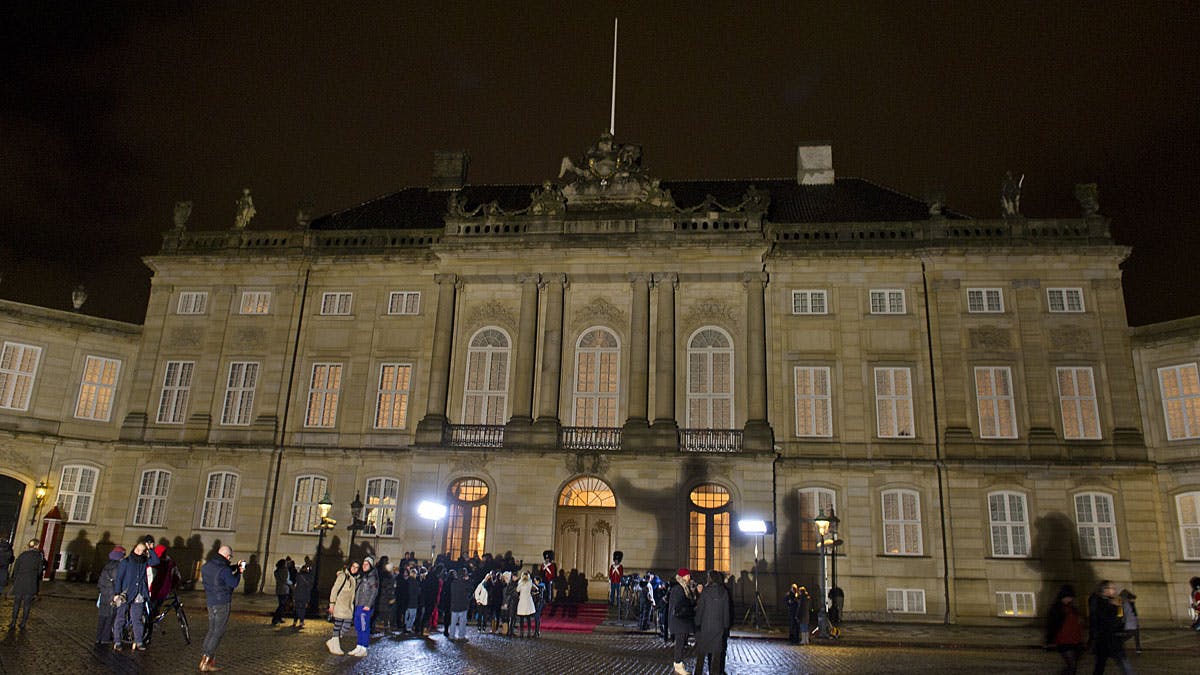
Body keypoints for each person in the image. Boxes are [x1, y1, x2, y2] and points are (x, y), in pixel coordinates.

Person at [199, 545, 242, 672]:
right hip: (222, 602)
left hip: (210, 601)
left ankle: (204, 657)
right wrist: (239, 572)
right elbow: (233, 582)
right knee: (218, 632)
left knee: (212, 630)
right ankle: (206, 661)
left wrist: (234, 567)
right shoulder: (224, 569)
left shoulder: (207, 566)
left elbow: (222, 571)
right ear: (227, 556)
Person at [112, 536, 160, 649]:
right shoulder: (126, 562)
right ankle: (117, 641)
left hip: (139, 594)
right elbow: (119, 578)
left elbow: (156, 561)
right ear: (134, 549)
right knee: (120, 618)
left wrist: (150, 549)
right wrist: (116, 593)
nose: (138, 552)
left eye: (141, 550)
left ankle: (139, 641)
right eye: (137, 549)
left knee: (137, 619)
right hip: (126, 593)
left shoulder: (144, 562)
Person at [1089, 580, 1133, 675]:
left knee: (1101, 666)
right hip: (1105, 640)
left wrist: (1118, 608)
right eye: (1112, 588)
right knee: (1103, 666)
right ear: (1104, 590)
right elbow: (1106, 621)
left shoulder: (1111, 602)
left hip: (1112, 640)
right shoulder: (1099, 602)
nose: (1115, 590)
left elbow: (1119, 620)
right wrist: (1114, 607)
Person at [694, 570, 731, 675]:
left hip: (705, 626)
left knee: (701, 656)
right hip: (718, 628)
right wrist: (726, 626)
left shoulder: (705, 592)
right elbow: (726, 611)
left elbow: (700, 609)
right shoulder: (724, 592)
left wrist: (697, 622)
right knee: (716, 657)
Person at [1045, 584, 1085, 675]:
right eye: (1068, 597)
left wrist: (1080, 621)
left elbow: (1077, 620)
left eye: (1071, 597)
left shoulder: (1072, 608)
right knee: (1072, 666)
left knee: (1072, 666)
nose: (1070, 599)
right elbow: (1051, 625)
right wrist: (1049, 641)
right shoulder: (1056, 608)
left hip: (1075, 640)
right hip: (1064, 641)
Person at [7, 539, 44, 631]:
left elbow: (16, 569)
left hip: (20, 581)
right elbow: (40, 572)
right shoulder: (39, 556)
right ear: (36, 546)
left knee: (16, 603)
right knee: (27, 604)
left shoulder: (23, 555)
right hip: (31, 582)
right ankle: (23, 623)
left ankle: (13, 622)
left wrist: (16, 579)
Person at [668, 568, 697, 675]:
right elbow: (679, 606)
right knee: (679, 644)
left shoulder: (683, 588)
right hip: (679, 621)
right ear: (683, 577)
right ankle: (678, 664)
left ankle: (679, 664)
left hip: (682, 621)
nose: (689, 578)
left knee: (681, 644)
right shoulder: (678, 589)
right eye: (687, 576)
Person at [326, 560, 358, 655]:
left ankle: (333, 641)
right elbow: (334, 590)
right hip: (340, 605)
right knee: (338, 625)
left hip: (348, 607)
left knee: (346, 626)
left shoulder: (354, 578)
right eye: (353, 566)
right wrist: (332, 604)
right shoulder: (343, 576)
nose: (354, 569)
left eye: (356, 567)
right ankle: (335, 644)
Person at [95, 546, 124, 646]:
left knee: (102, 616)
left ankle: (98, 637)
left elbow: (100, 581)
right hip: (112, 595)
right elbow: (117, 582)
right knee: (110, 617)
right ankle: (105, 638)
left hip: (104, 593)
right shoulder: (118, 566)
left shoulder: (107, 565)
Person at [350, 556, 378, 657]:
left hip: (365, 605)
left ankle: (364, 647)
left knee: (364, 626)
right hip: (359, 604)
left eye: (367, 564)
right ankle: (359, 645)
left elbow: (374, 591)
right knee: (358, 626)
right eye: (364, 564)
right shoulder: (363, 576)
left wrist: (368, 604)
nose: (364, 566)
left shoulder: (372, 576)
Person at [448, 569, 471, 641]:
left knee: (453, 622)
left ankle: (451, 635)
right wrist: (467, 581)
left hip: (454, 605)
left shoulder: (453, 583)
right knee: (462, 622)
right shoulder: (465, 583)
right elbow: (470, 589)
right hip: (463, 605)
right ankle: (461, 636)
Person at [1118, 589, 1140, 655]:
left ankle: (1138, 649)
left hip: (1130, 623)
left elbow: (1120, 615)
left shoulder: (1123, 604)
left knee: (1131, 635)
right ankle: (1138, 649)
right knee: (1133, 635)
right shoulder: (1129, 604)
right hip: (1132, 623)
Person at [292, 564, 314, 629]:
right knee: (303, 609)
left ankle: (295, 621)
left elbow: (296, 587)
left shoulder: (298, 576)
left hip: (297, 595)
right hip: (304, 595)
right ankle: (301, 621)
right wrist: (308, 598)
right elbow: (309, 588)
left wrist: (293, 596)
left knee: (296, 608)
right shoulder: (308, 577)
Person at [270, 558, 291, 626]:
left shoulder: (276, 571)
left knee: (281, 604)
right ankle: (275, 618)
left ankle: (279, 618)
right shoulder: (285, 571)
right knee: (282, 605)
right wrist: (291, 583)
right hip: (284, 589)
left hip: (279, 589)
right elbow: (286, 580)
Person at [516, 570, 536, 637]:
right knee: (525, 618)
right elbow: (517, 590)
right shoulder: (527, 583)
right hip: (524, 601)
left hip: (525, 601)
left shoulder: (528, 583)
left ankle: (527, 631)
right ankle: (525, 631)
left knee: (526, 618)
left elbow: (517, 590)